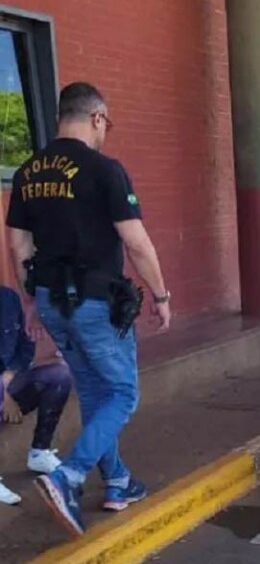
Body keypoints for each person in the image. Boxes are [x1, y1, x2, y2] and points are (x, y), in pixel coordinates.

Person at [6, 82, 172, 536]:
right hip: (97, 302)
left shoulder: (28, 172)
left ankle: (118, 481)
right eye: (106, 124)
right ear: (97, 118)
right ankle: (69, 476)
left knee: (97, 393)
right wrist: (160, 296)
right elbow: (136, 242)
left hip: (51, 301)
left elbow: (18, 245)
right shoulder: (104, 170)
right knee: (123, 393)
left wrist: (30, 301)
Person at [0, 286, 74, 505]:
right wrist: (4, 395)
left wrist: (9, 377)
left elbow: (25, 345)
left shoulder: (8, 297)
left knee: (59, 375)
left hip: (7, 381)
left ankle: (39, 452)